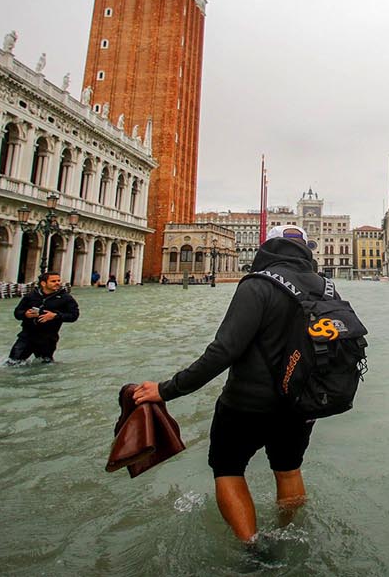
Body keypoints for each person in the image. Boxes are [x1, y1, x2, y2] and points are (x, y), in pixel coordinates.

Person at [131, 224, 331, 543]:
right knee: (289, 469)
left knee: (228, 468)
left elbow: (224, 350)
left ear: (268, 247)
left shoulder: (257, 284)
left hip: (247, 403)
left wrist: (167, 389)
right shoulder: (325, 287)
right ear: (305, 250)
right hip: (301, 403)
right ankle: (289, 537)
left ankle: (252, 549)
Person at [7, 271, 80, 364]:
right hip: (27, 336)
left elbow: (74, 316)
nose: (57, 283)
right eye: (53, 281)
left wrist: (55, 316)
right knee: (12, 362)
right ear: (43, 283)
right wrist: (25, 314)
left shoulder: (65, 298)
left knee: (45, 364)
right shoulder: (31, 296)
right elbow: (17, 313)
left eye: (58, 280)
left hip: (48, 338)